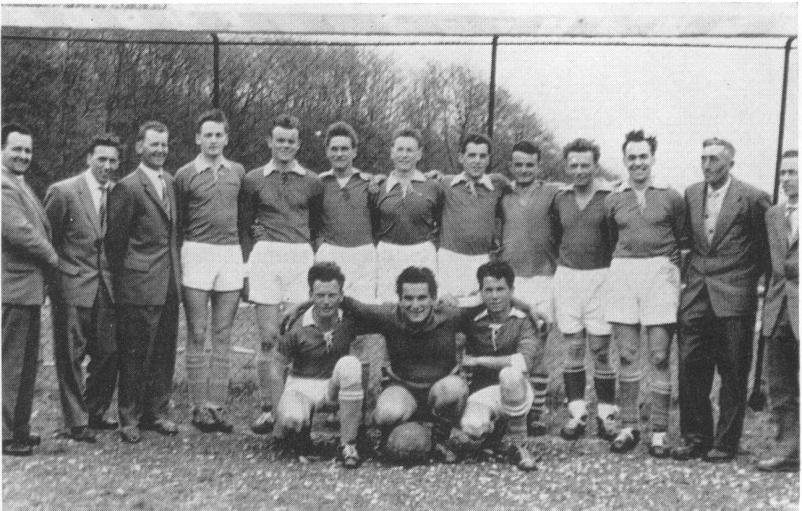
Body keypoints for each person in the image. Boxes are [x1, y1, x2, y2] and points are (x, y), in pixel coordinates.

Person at [674, 138, 770, 463]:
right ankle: (695, 438)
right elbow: (688, 241)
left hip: (735, 296)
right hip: (696, 295)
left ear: (730, 163)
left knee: (733, 372)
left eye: (714, 159)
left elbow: (765, 249)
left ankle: (726, 443)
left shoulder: (753, 198)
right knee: (690, 368)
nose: (707, 165)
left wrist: (746, 282)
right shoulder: (691, 194)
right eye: (703, 158)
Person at [239, 114, 323, 434]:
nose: (285, 146)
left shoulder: (312, 181)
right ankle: (268, 408)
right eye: (280, 140)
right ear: (270, 142)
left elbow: (316, 225)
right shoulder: (253, 179)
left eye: (291, 141)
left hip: (300, 256)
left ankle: (294, 406)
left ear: (298, 144)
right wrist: (250, 262)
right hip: (266, 256)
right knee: (268, 338)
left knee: (297, 337)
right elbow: (245, 224)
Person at [604, 130, 686, 456]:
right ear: (624, 160)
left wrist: (672, 273)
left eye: (643, 157)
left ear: (652, 158)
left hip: (660, 272)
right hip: (624, 271)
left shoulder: (671, 196)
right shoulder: (613, 198)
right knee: (626, 355)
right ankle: (628, 427)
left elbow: (683, 239)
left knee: (659, 356)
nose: (638, 163)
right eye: (632, 157)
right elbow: (611, 238)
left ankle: (659, 432)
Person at [338, 266, 473, 463]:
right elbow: (349, 303)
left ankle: (440, 440)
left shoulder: (450, 316)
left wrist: (523, 305)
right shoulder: (389, 316)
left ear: (433, 299)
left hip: (439, 393)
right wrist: (301, 305)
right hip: (403, 390)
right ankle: (390, 440)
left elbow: (488, 302)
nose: (415, 305)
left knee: (455, 389)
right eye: (408, 298)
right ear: (399, 299)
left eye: (422, 298)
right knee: (386, 414)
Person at [106, 121, 181, 443]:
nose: (160, 150)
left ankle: (157, 413)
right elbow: (115, 243)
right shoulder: (128, 187)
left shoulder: (170, 182)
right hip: (138, 286)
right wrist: (130, 280)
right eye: (154, 144)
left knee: (164, 353)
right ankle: (129, 418)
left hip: (169, 283)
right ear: (139, 147)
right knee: (135, 355)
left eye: (164, 144)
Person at [44, 133, 122, 443]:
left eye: (112, 160)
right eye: (101, 159)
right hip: (72, 285)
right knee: (71, 355)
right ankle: (75, 422)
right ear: (89, 158)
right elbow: (48, 240)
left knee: (109, 352)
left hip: (106, 286)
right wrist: (57, 282)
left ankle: (95, 411)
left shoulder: (117, 193)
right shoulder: (63, 192)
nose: (107, 165)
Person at [174, 109, 246, 433]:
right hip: (197, 252)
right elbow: (177, 221)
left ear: (226, 138)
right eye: (208, 135)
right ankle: (198, 406)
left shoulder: (238, 172)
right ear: (198, 138)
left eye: (219, 135)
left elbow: (244, 216)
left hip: (229, 253)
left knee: (223, 333)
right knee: (198, 332)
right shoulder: (184, 174)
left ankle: (217, 406)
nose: (213, 140)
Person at [549, 139, 617, 442]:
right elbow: (555, 237)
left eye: (585, 165)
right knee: (574, 348)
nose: (579, 171)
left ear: (595, 166)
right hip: (568, 277)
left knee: (600, 350)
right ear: (566, 166)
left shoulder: (609, 198)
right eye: (573, 165)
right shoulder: (560, 198)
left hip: (600, 278)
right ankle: (576, 414)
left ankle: (606, 414)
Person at [268, 262, 366, 468]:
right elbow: (276, 368)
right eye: (320, 295)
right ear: (310, 295)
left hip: (332, 386)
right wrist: (277, 413)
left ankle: (349, 444)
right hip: (302, 384)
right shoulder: (296, 326)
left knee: (350, 364)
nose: (326, 302)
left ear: (341, 296)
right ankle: (299, 438)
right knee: (292, 417)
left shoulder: (350, 320)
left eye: (332, 295)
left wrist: (363, 411)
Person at [2, 123, 60, 455]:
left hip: (28, 288)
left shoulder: (18, 183)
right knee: (11, 365)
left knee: (25, 365)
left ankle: (19, 427)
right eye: (17, 149)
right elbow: (19, 232)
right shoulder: (3, 186)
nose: (23, 155)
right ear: (2, 150)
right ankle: (7, 434)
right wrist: (53, 256)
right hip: (13, 287)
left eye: (28, 150)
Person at [450, 261, 542, 471]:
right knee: (472, 427)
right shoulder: (472, 318)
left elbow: (523, 362)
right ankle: (495, 434)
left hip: (518, 390)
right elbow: (444, 311)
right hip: (484, 393)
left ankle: (520, 446)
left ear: (511, 291)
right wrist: (447, 300)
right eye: (488, 290)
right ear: (481, 293)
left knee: (510, 374)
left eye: (500, 289)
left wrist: (478, 360)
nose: (494, 296)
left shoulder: (524, 321)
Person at [498, 140, 557, 435]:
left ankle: (536, 414)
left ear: (538, 166)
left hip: (543, 277)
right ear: (511, 166)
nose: (523, 170)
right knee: (512, 344)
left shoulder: (552, 193)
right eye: (518, 164)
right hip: (512, 280)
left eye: (529, 165)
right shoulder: (502, 194)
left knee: (538, 346)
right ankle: (512, 406)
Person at [756, 150, 799, 472]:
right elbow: (771, 264)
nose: (785, 179)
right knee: (780, 385)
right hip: (778, 307)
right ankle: (789, 450)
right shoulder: (773, 215)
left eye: (792, 172)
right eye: (782, 173)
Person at [374, 128, 443, 303]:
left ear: (419, 154)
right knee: (388, 305)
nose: (404, 155)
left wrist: (430, 245)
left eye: (410, 150)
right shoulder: (379, 187)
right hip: (388, 253)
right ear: (392, 152)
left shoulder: (433, 186)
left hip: (422, 252)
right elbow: (372, 223)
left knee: (422, 303)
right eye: (400, 149)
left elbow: (442, 221)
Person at [437, 133, 508, 304]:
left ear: (489, 159)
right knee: (448, 309)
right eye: (472, 155)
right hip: (450, 259)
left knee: (478, 310)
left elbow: (521, 189)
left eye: (482, 156)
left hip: (481, 259)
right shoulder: (446, 184)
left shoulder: (497, 185)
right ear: (461, 157)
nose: (477, 161)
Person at [315, 122, 377, 302]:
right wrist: (320, 245)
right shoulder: (318, 183)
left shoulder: (368, 183)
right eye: (334, 149)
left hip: (363, 254)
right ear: (327, 151)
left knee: (363, 308)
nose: (339, 154)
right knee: (329, 306)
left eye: (344, 149)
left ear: (354, 152)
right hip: (330, 253)